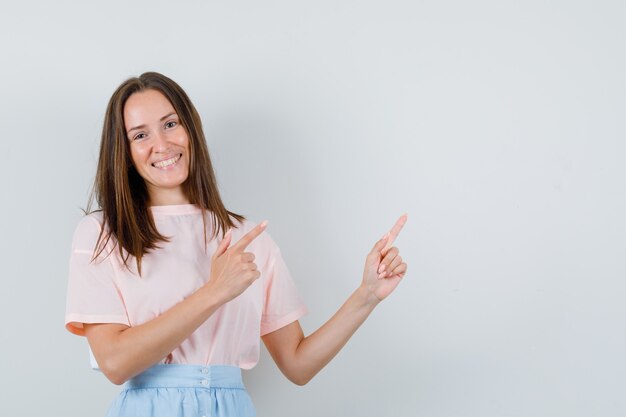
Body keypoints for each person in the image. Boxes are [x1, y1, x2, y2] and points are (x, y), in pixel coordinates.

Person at [64, 71, 408, 417]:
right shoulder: (101, 233)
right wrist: (215, 291)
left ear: (191, 128)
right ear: (124, 152)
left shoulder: (248, 238)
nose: (162, 144)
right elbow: (115, 363)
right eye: (140, 135)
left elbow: (298, 364)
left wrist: (366, 296)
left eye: (170, 124)